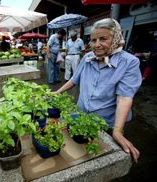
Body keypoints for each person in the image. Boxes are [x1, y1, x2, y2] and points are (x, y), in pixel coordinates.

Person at [55, 18, 141, 163]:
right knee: (78, 155)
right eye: (93, 40)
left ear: (116, 39)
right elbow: (74, 80)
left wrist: (118, 131)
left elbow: (124, 97)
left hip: (105, 123)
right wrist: (56, 93)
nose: (97, 45)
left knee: (100, 157)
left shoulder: (129, 62)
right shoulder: (88, 57)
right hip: (81, 116)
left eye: (103, 39)